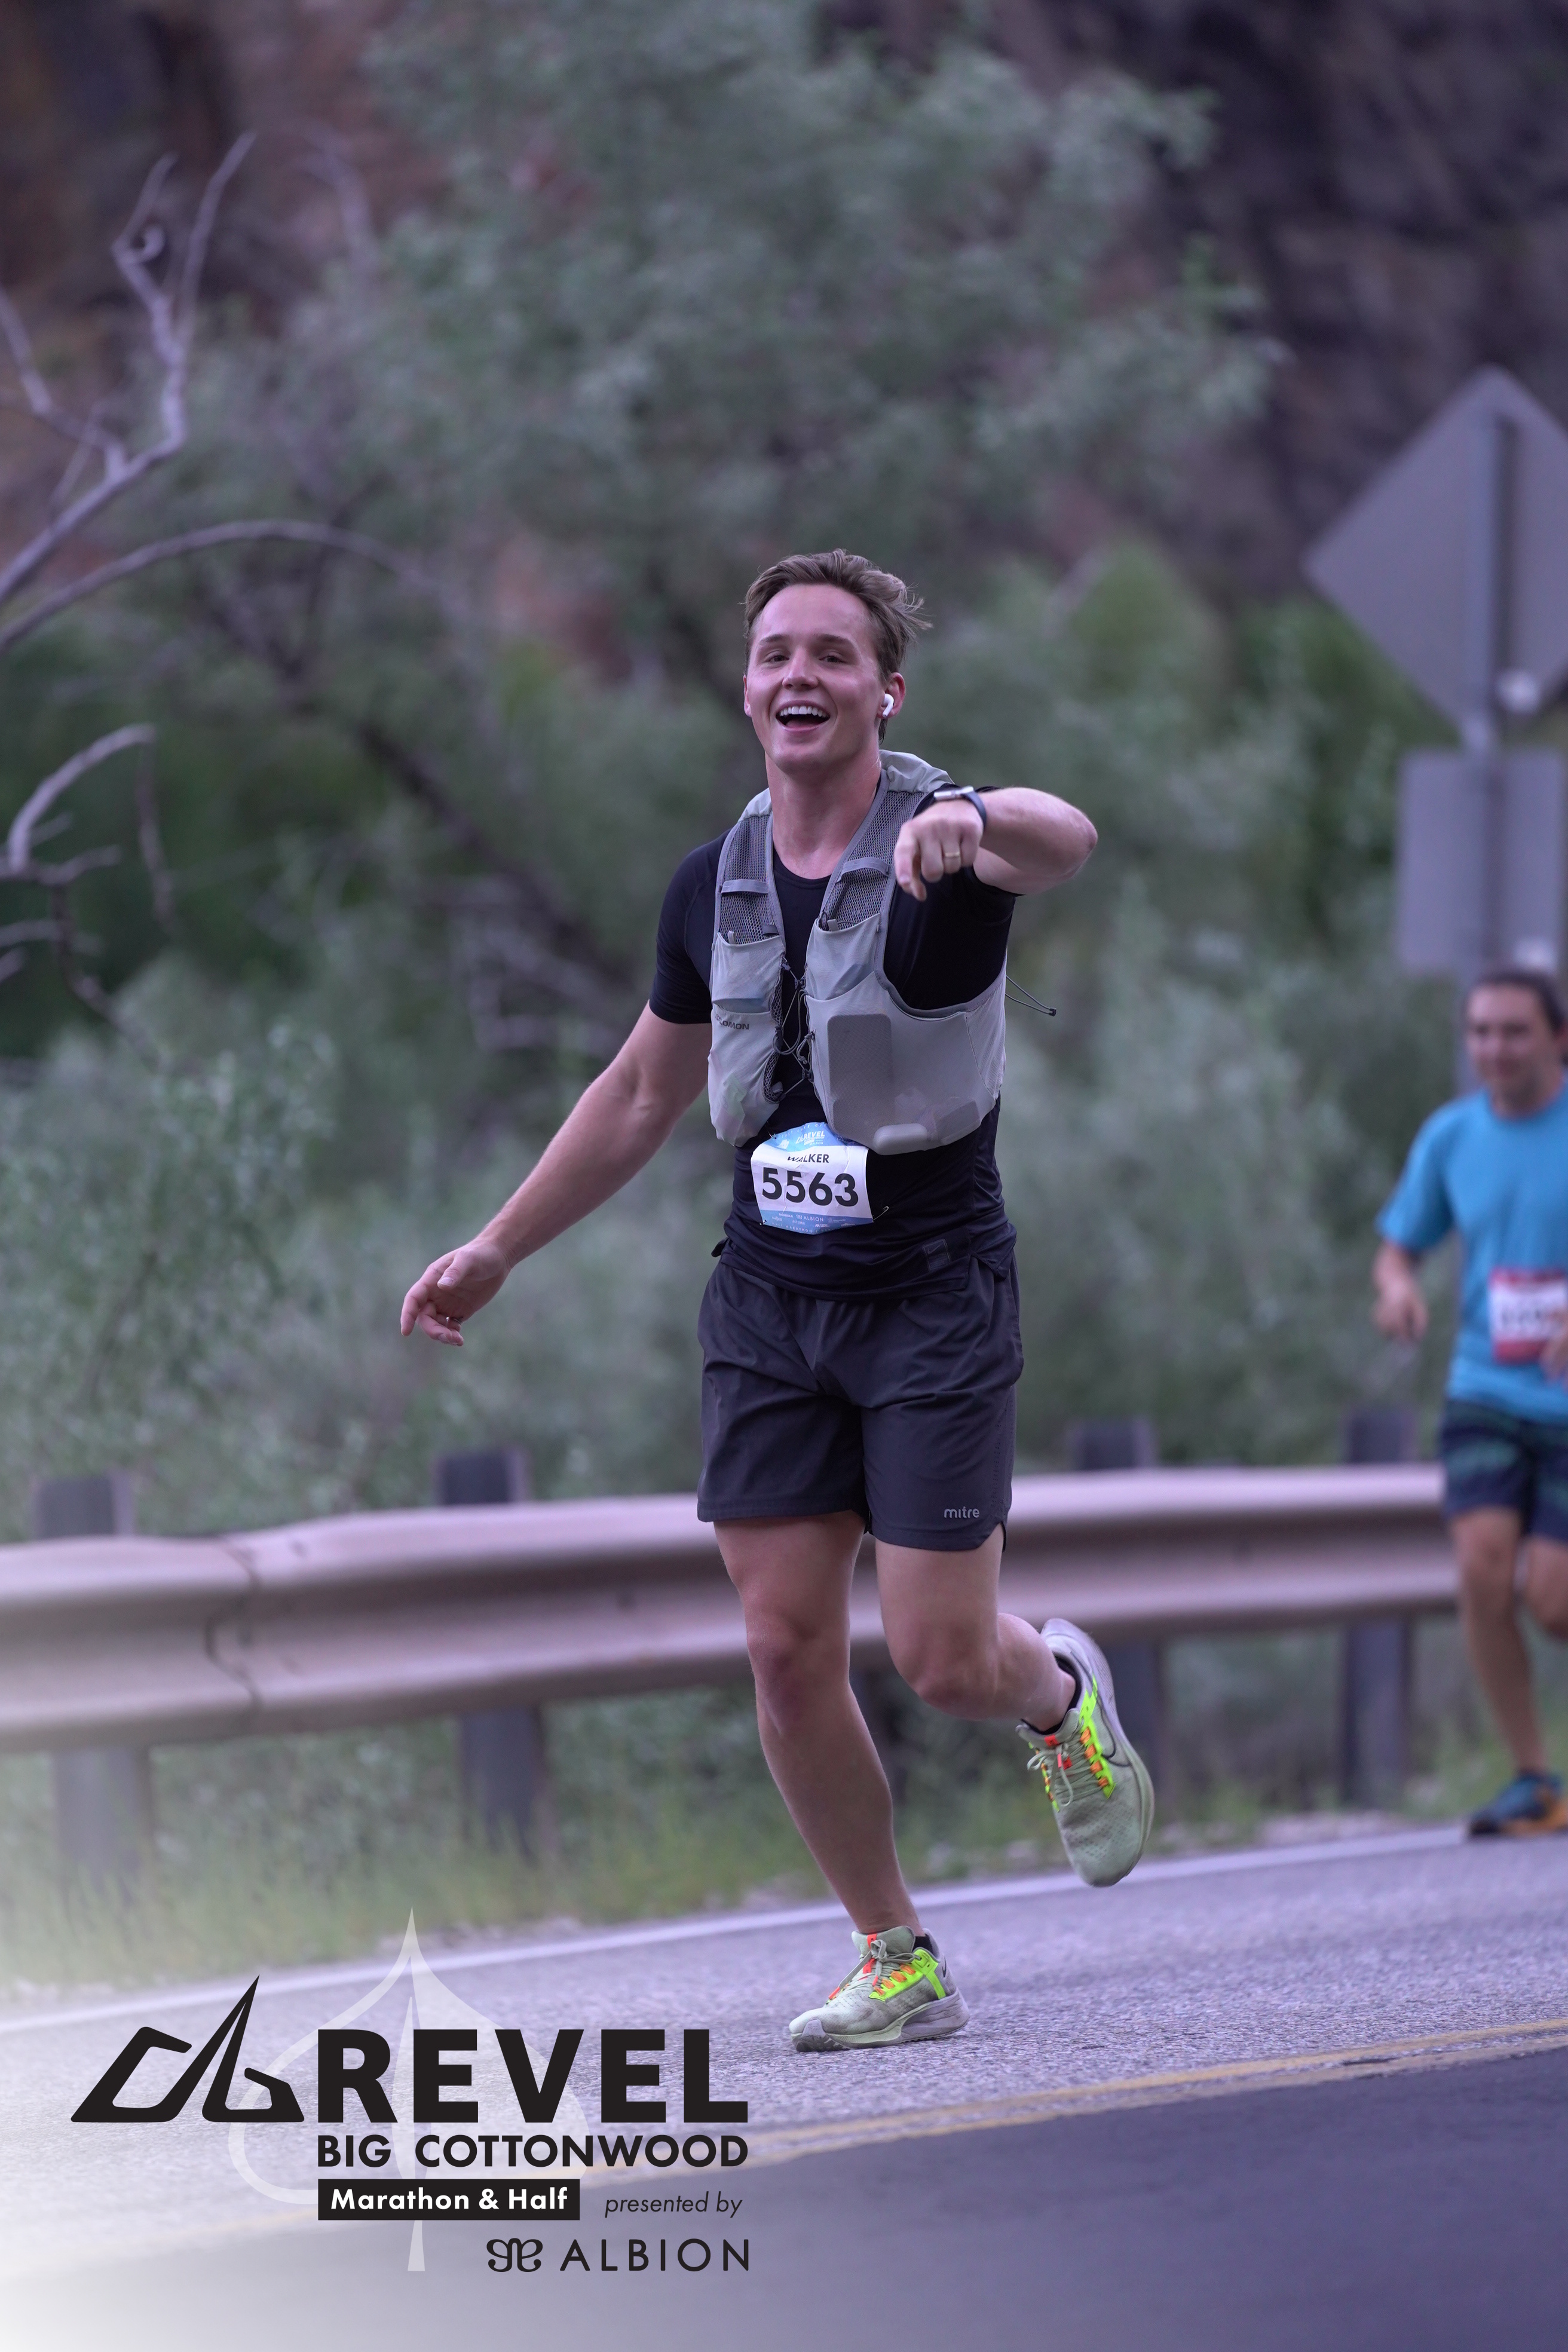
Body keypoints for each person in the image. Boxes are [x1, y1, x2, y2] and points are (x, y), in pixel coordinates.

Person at [402, 548, 1154, 2045]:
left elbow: (1067, 838)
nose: (798, 674)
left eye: (831, 653)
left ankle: (1059, 1698)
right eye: (775, 655)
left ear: (886, 690)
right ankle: (895, 1955)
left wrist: (976, 816)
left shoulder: (948, 842)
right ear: (748, 691)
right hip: (768, 1299)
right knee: (783, 1644)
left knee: (944, 1660)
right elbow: (639, 1093)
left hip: (930, 1291)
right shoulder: (714, 884)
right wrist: (498, 1246)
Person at [1374, 967, 1568, 1837]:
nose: (1495, 1048)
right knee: (1482, 1569)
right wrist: (1398, 1288)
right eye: (1482, 1031)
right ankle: (1535, 1780)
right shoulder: (1452, 1136)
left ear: (1557, 1037)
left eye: (1515, 1031)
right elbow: (1398, 1246)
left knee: (1555, 1603)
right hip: (1485, 1389)